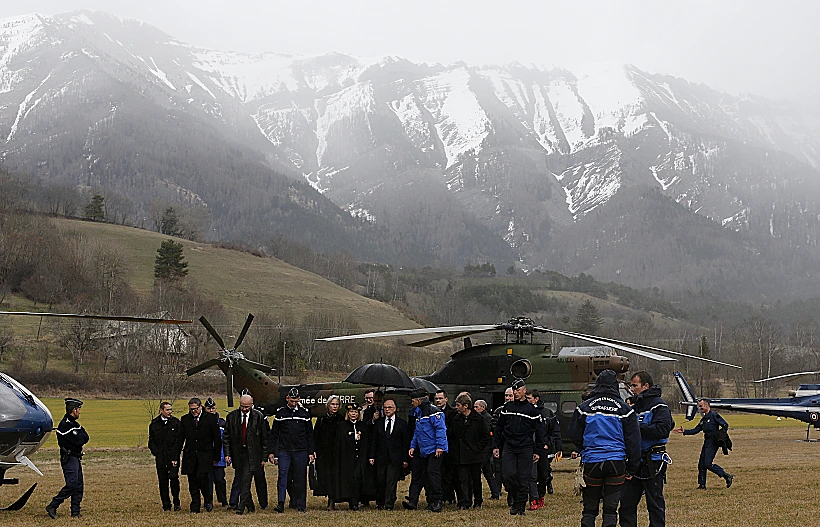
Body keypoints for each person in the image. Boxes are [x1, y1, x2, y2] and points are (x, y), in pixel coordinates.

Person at [569, 370, 641, 527]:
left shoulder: (584, 408)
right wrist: (632, 468)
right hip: (616, 463)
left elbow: (574, 434)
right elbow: (634, 442)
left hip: (592, 463)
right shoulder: (625, 410)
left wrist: (584, 449)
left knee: (589, 509)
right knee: (610, 509)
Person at [619, 371, 674, 527]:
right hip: (634, 462)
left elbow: (663, 429)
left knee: (654, 504)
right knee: (626, 504)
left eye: (635, 385)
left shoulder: (659, 405)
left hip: (653, 462)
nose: (632, 389)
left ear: (646, 386)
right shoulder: (634, 407)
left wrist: (637, 427)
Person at [494, 380, 545, 516]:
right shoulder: (507, 408)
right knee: (508, 475)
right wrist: (496, 446)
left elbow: (540, 432)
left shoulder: (532, 410)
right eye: (514, 390)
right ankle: (516, 499)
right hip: (509, 446)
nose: (515, 392)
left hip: (525, 447)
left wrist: (538, 451)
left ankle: (520, 506)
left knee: (524, 478)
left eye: (518, 390)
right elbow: (499, 428)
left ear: (524, 390)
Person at [269, 387, 314, 513]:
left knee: (300, 478)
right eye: (291, 401)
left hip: (301, 450)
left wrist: (311, 451)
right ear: (287, 398)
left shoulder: (304, 414)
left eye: (296, 401)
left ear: (299, 399)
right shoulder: (281, 413)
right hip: (285, 450)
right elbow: (274, 434)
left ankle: (301, 505)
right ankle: (281, 503)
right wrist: (272, 452)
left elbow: (309, 434)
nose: (293, 403)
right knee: (283, 476)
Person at [402, 388, 448, 512]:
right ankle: (430, 501)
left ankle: (438, 500)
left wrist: (440, 446)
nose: (412, 403)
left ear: (418, 400)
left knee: (434, 475)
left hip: (434, 450)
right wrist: (413, 446)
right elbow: (417, 432)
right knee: (425, 476)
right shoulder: (418, 412)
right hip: (423, 450)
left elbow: (441, 430)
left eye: (413, 401)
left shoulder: (434, 412)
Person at [673, 398, 734, 489]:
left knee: (707, 463)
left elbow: (725, 425)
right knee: (701, 464)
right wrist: (684, 431)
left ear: (706, 405)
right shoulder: (704, 419)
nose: (700, 408)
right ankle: (702, 485)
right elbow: (696, 430)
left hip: (714, 442)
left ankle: (726, 475)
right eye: (699, 406)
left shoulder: (714, 415)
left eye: (701, 406)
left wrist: (721, 436)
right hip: (707, 442)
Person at [224, 394, 268, 515]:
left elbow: (264, 438)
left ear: (252, 404)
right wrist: (227, 454)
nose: (244, 409)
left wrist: (264, 457)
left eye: (247, 407)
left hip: (253, 454)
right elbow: (226, 437)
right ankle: (250, 505)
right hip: (238, 453)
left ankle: (241, 507)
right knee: (241, 478)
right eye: (242, 406)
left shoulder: (258, 417)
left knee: (245, 480)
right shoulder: (232, 417)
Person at [46, 398, 89, 519]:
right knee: (72, 484)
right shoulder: (65, 425)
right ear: (74, 410)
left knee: (78, 485)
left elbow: (85, 437)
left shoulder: (74, 424)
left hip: (76, 457)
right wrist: (79, 440)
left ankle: (75, 511)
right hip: (69, 458)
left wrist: (79, 439)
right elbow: (79, 440)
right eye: (79, 409)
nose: (79, 412)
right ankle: (53, 505)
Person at [179, 397, 222, 513]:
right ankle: (195, 504)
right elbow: (180, 438)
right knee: (192, 481)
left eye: (196, 409)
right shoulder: (185, 419)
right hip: (191, 455)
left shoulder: (210, 419)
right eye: (191, 409)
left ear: (201, 407)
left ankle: (208, 499)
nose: (193, 411)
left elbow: (217, 439)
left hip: (205, 455)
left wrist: (216, 457)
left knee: (202, 479)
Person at [368, 396, 410, 510]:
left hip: (395, 458)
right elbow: (374, 441)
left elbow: (405, 442)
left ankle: (389, 504)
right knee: (380, 480)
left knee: (391, 481)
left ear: (395, 409)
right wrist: (371, 456)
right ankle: (380, 503)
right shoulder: (379, 423)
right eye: (385, 407)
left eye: (390, 407)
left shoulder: (402, 423)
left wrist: (405, 459)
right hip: (380, 457)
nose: (387, 409)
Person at [451, 393, 490, 510]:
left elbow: (485, 436)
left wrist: (477, 449)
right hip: (460, 455)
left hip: (474, 455)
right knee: (462, 479)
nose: (456, 407)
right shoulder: (456, 419)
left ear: (466, 406)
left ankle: (478, 500)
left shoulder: (478, 419)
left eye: (458, 405)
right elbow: (452, 436)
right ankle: (465, 501)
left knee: (475, 479)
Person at [526, 389, 563, 510]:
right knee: (531, 475)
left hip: (543, 448)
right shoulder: (525, 412)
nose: (527, 401)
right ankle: (533, 499)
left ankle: (541, 496)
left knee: (543, 474)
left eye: (529, 398)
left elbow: (554, 431)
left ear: (536, 399)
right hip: (529, 447)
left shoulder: (548, 413)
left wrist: (551, 445)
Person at [148, 401, 183, 512]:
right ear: (161, 410)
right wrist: (157, 453)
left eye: (170, 409)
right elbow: (151, 441)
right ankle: (166, 505)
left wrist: (174, 457)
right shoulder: (154, 424)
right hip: (161, 458)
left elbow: (179, 442)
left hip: (173, 458)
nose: (169, 412)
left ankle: (176, 501)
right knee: (163, 482)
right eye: (167, 410)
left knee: (174, 479)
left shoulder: (176, 423)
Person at [313, 395, 343, 510]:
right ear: (328, 405)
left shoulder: (340, 419)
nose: (335, 406)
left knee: (334, 477)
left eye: (337, 404)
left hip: (336, 453)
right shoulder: (321, 419)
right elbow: (315, 435)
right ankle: (329, 498)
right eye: (333, 404)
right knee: (325, 476)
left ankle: (332, 501)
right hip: (323, 453)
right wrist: (314, 450)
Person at [335, 404, 366, 509]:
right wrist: (352, 437)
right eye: (352, 412)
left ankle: (356, 501)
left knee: (357, 478)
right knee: (349, 479)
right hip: (347, 457)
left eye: (356, 412)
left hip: (359, 457)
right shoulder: (342, 425)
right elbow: (340, 441)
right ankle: (350, 500)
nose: (354, 414)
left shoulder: (362, 425)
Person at [203, 398, 228, 508]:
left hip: (220, 456)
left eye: (213, 408)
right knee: (207, 480)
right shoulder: (202, 422)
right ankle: (208, 501)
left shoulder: (222, 423)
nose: (211, 410)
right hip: (206, 456)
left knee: (219, 479)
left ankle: (223, 499)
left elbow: (227, 439)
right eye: (209, 408)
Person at [434, 389, 457, 505]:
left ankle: (450, 496)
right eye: (436, 399)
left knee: (449, 474)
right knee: (439, 473)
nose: (438, 401)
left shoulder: (452, 412)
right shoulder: (432, 412)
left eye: (440, 398)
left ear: (446, 399)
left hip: (449, 447)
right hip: (436, 447)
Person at [473, 399, 500, 500]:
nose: (475, 409)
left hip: (485, 449)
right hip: (486, 449)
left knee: (478, 470)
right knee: (488, 472)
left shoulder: (486, 418)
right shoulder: (483, 417)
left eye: (477, 407)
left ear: (483, 408)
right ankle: (495, 492)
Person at [492, 387, 514, 503]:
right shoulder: (499, 411)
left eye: (510, 395)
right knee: (502, 472)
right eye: (506, 396)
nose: (508, 398)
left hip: (515, 445)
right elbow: (495, 428)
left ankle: (512, 494)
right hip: (502, 445)